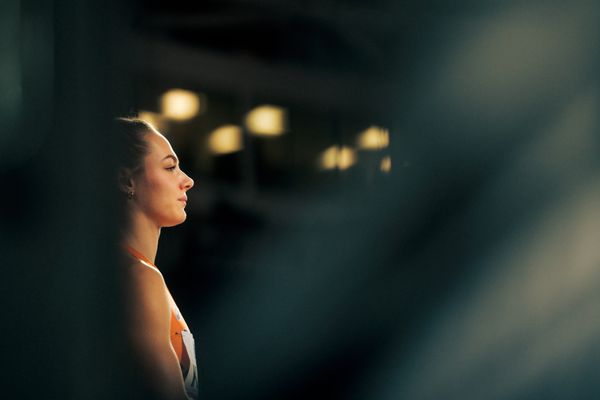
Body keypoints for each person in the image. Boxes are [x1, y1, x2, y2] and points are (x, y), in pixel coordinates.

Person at [116, 117, 198, 400]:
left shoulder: (140, 273)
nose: (187, 181)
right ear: (128, 180)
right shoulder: (139, 277)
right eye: (170, 167)